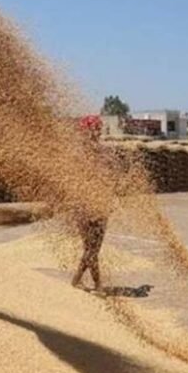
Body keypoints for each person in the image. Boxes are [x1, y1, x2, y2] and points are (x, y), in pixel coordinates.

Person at [71, 115, 108, 291]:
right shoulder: (82, 154)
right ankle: (93, 284)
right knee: (92, 249)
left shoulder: (98, 152)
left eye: (98, 129)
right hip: (86, 205)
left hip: (98, 205)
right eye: (95, 128)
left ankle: (85, 281)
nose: (98, 132)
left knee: (92, 248)